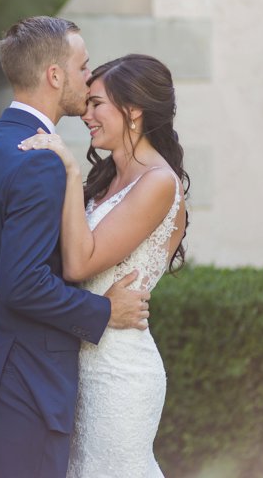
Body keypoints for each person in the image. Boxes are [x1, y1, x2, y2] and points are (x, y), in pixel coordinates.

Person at [0, 17, 151, 478]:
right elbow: (22, 283)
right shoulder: (40, 159)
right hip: (22, 393)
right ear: (54, 76)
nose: (88, 79)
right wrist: (103, 311)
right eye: (82, 67)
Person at [18, 53, 190, 477]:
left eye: (97, 105)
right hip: (77, 362)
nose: (86, 114)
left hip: (120, 375)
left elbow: (79, 264)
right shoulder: (109, 178)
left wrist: (71, 170)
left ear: (133, 112)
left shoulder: (158, 183)